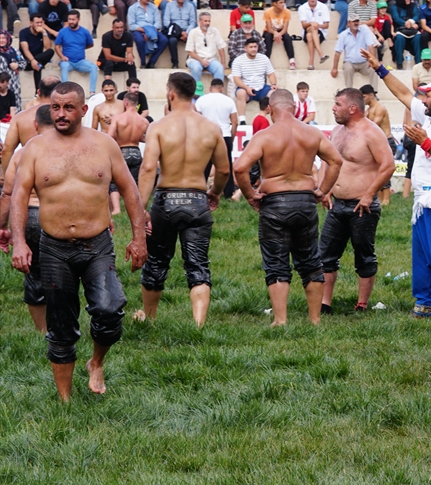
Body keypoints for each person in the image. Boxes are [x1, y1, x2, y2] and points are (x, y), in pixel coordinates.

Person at [8, 81, 147, 401]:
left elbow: (130, 190)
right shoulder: (35, 149)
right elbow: (18, 197)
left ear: (84, 110)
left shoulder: (104, 145)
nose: (61, 113)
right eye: (56, 107)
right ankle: (65, 402)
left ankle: (96, 362)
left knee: (109, 310)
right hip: (53, 248)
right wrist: (19, 241)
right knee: (60, 324)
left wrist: (139, 238)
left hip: (97, 245)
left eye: (68, 107)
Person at [232, 89, 343, 327]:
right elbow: (336, 160)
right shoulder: (312, 133)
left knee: (276, 262)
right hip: (305, 201)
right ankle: (315, 320)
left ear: (270, 109)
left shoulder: (264, 136)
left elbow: (240, 168)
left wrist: (251, 195)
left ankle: (280, 320)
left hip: (274, 202)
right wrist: (322, 190)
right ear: (294, 108)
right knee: (311, 260)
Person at [371, 71, 431, 319]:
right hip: (422, 200)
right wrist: (380, 69)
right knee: (423, 256)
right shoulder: (429, 119)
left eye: (428, 96)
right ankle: (425, 303)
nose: (423, 100)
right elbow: (403, 93)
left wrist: (426, 143)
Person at [135, 73, 230, 327]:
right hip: (197, 199)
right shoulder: (212, 128)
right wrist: (215, 192)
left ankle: (150, 318)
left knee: (156, 261)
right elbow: (223, 170)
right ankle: (198, 325)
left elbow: (148, 168)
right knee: (198, 264)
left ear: (171, 94)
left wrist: (140, 208)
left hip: (165, 199)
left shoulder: (158, 127)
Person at [318, 87, 395, 314]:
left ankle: (362, 304)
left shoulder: (371, 132)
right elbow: (328, 161)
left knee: (364, 256)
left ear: (352, 108)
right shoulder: (337, 131)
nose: (333, 108)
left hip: (362, 206)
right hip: (337, 204)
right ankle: (325, 303)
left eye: (338, 104)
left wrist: (369, 195)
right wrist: (324, 190)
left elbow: (388, 165)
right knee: (325, 255)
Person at [0, 103, 52, 334]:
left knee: (35, 273)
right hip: (61, 216)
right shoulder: (72, 149)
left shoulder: (21, 154)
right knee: (66, 271)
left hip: (30, 217)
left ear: (35, 125)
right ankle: (64, 326)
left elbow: (7, 194)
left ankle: (43, 330)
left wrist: (2, 227)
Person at [230, 38, 276, 120]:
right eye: (251, 47)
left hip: (262, 88)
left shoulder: (264, 58)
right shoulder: (238, 61)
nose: (253, 49)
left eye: (255, 47)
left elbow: (271, 74)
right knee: (240, 93)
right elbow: (236, 79)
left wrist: (273, 84)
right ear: (245, 48)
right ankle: (242, 120)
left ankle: (273, 120)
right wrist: (247, 88)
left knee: (275, 93)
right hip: (245, 87)